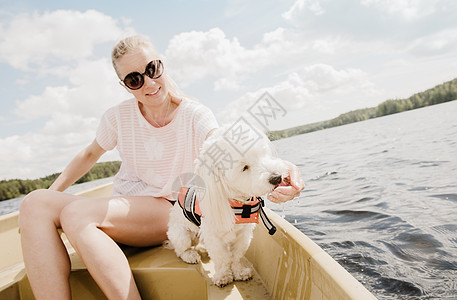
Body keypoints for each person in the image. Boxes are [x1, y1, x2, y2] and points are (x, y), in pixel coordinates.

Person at [18, 35, 305, 300]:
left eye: (152, 69)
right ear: (124, 85)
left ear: (162, 65)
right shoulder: (117, 117)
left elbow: (225, 145)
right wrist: (52, 192)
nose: (149, 83)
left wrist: (282, 170)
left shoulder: (195, 115)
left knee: (76, 213)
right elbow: (89, 153)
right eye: (134, 79)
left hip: (169, 207)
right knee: (33, 203)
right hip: (126, 206)